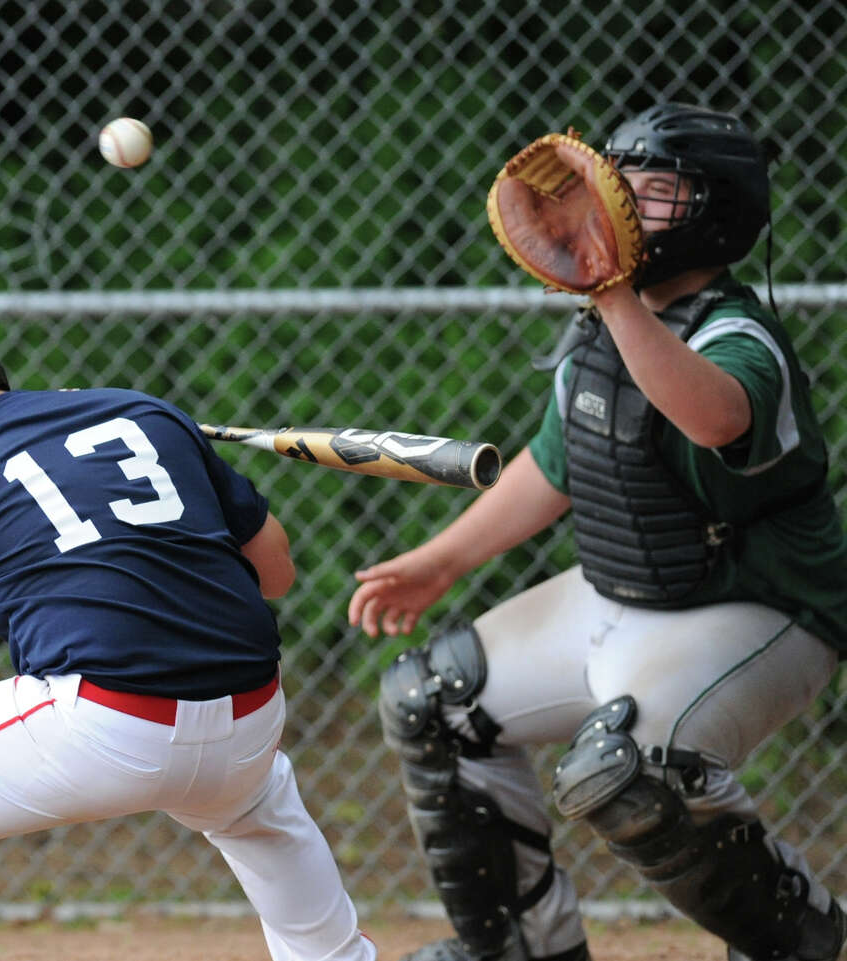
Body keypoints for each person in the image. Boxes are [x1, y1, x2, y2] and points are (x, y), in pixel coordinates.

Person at [348, 103, 847, 961]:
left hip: (758, 609)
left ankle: (797, 940)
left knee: (633, 771)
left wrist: (614, 298)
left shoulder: (738, 332)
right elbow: (555, 465)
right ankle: (526, 950)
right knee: (433, 700)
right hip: (621, 592)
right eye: (619, 183)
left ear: (716, 212)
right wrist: (438, 563)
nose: (619, 204)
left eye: (654, 192)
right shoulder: (602, 326)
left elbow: (714, 416)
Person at [0, 312, 377, 961]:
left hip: (104, 722)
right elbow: (276, 573)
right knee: (257, 806)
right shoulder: (149, 415)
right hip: (250, 719)